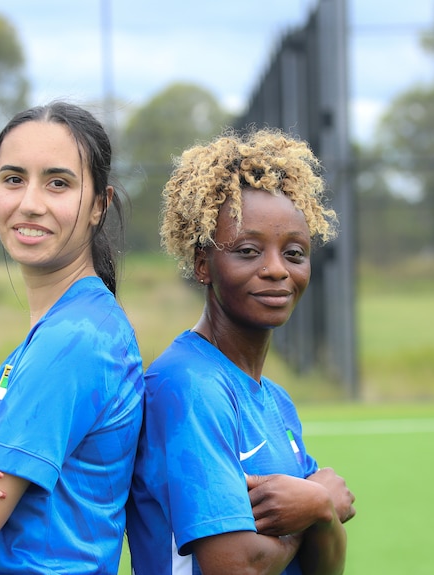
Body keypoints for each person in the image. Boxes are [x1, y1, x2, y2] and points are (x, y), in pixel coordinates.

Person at [0, 101, 145, 575]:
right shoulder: (55, 335)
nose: (30, 202)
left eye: (58, 182)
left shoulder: (75, 340)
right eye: (13, 179)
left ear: (99, 204)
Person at [126, 128, 356, 575]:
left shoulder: (277, 402)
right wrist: (317, 502)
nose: (275, 269)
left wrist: (320, 513)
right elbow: (232, 567)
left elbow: (325, 567)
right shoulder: (187, 386)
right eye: (248, 251)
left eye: (294, 252)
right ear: (202, 264)